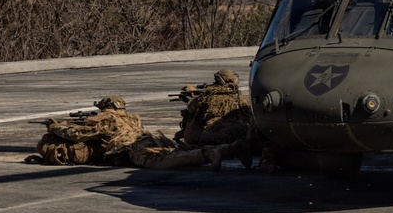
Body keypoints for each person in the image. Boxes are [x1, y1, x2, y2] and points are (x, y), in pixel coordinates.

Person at [28, 95, 249, 171]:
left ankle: (209, 155)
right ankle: (230, 149)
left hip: (135, 147)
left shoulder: (107, 118)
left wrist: (55, 126)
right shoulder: (127, 117)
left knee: (161, 161)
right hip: (149, 137)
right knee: (178, 150)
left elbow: (80, 136)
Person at [174, 69, 254, 153]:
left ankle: (228, 149)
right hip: (241, 132)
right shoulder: (241, 97)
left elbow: (194, 108)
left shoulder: (211, 98)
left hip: (218, 134)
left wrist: (191, 98)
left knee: (203, 141)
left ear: (219, 80)